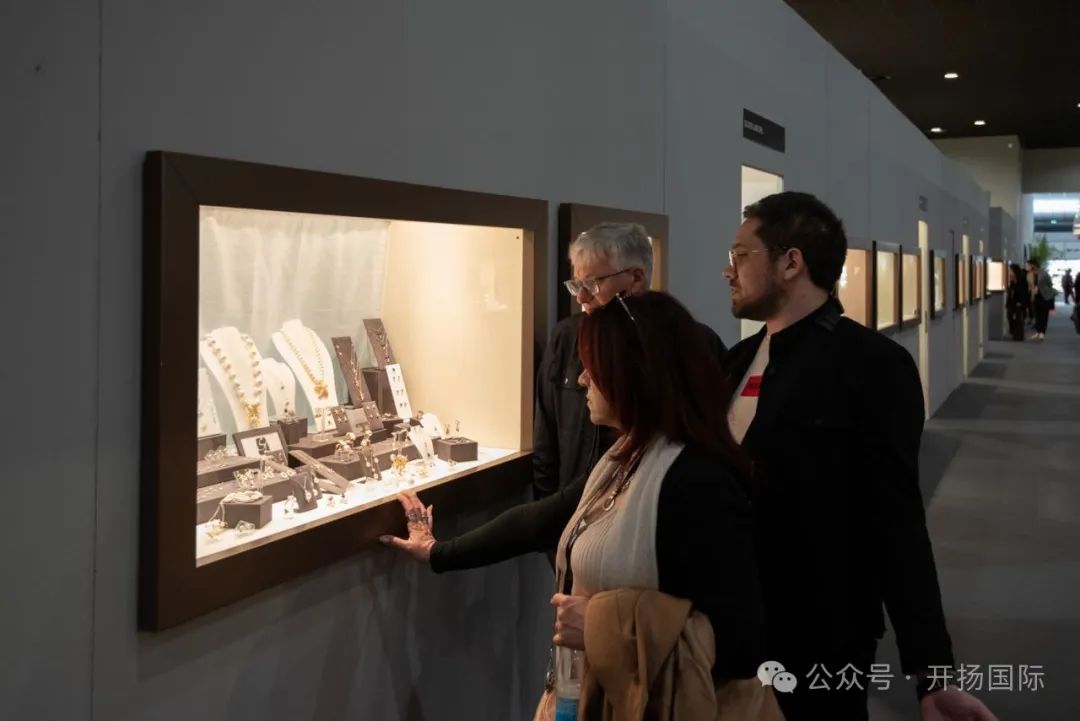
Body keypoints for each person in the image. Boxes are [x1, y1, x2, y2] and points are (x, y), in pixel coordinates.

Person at [387, 291, 769, 714]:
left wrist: (601, 627)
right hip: (599, 695)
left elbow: (741, 643)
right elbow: (540, 520)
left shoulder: (696, 482)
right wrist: (436, 551)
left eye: (593, 366)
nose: (582, 380)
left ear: (635, 373)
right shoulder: (624, 459)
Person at [721, 191, 997, 721]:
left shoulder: (873, 366)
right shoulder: (734, 362)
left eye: (740, 254)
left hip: (821, 637)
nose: (727, 270)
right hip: (730, 631)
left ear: (791, 262)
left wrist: (933, 673)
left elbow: (897, 521)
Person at [379, 222, 726, 573]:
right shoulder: (623, 459)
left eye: (593, 284)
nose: (581, 298)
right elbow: (550, 495)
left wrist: (608, 602)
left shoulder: (679, 470)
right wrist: (439, 552)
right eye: (577, 285)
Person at [1028, 259, 1055, 340]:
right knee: (1037, 315)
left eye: (1029, 265)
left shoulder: (1043, 273)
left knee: (1044, 315)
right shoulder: (1030, 274)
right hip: (1034, 297)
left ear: (1034, 265)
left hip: (1043, 297)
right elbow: (1029, 285)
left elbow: (1050, 284)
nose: (1028, 266)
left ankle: (1042, 332)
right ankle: (1038, 331)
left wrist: (1043, 289)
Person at [1006, 263, 1030, 341]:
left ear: (1015, 271)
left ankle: (1018, 335)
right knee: (1010, 317)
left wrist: (1021, 302)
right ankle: (1014, 332)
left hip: (1019, 303)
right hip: (1011, 303)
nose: (1009, 272)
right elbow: (1011, 292)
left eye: (1011, 270)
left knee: (1018, 319)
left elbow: (1024, 293)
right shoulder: (1012, 281)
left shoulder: (1022, 281)